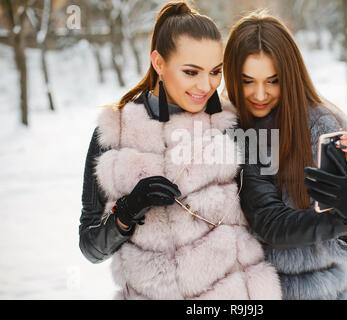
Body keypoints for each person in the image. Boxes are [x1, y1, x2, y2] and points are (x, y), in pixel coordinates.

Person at [79, 2, 281, 300]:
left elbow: (271, 215)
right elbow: (91, 247)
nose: (206, 85)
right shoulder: (114, 132)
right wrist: (128, 210)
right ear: (159, 63)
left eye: (215, 72)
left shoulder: (230, 126)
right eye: (191, 72)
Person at [223, 12, 347, 299]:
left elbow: (344, 243)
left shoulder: (321, 126)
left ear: (290, 75)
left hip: (315, 291)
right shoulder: (219, 127)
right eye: (248, 81)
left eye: (273, 80)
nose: (260, 94)